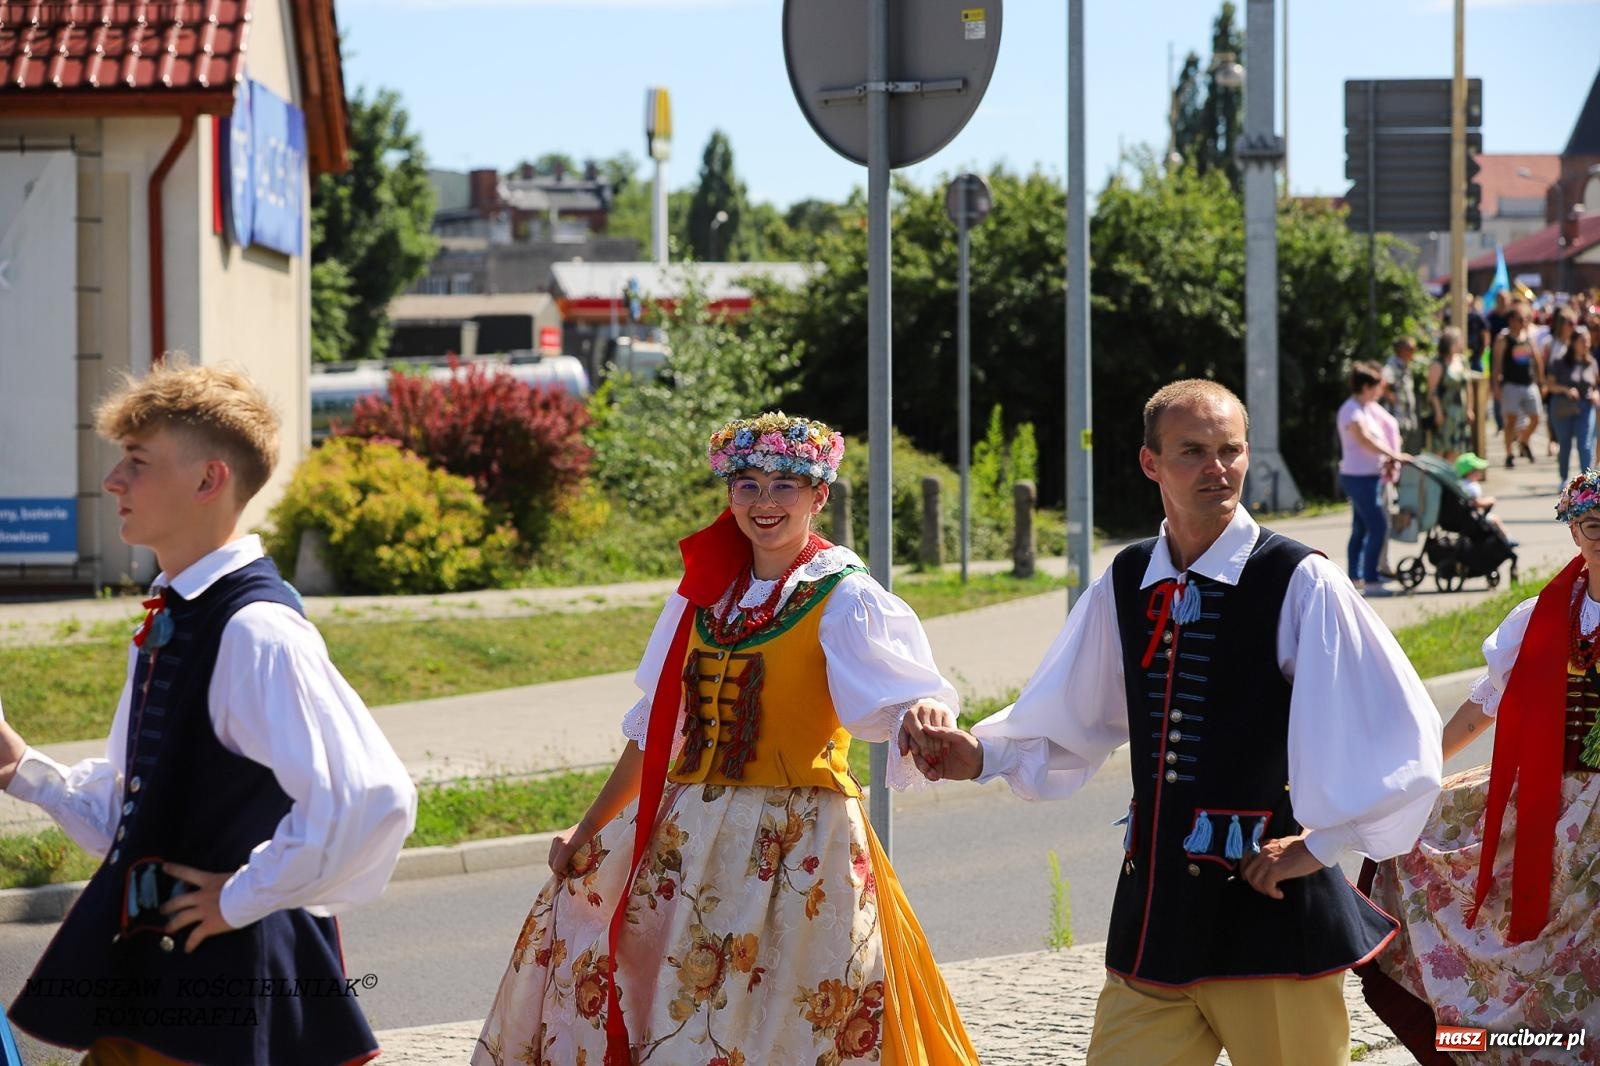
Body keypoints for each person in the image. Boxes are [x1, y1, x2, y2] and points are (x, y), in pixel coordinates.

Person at [900, 380, 1443, 1066]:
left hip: (1269, 922)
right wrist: (979, 754)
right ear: (1150, 463)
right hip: (1156, 924)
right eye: (1193, 451)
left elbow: (1393, 730)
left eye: (1231, 450)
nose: (1218, 468)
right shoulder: (1129, 579)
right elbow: (1071, 709)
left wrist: (1321, 843)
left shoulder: (1300, 580)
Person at [473, 413, 979, 1066]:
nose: (765, 503)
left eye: (785, 486)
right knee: (664, 1007)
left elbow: (904, 693)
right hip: (690, 840)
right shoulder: (704, 598)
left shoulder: (843, 595)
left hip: (801, 843)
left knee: (795, 1022)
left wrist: (924, 716)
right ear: (729, 495)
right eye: (748, 485)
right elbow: (656, 729)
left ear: (820, 496)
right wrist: (588, 826)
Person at [0, 362, 417, 1066]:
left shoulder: (257, 630)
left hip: (226, 991)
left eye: (136, 462)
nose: (113, 483)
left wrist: (242, 895)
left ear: (208, 480)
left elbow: (372, 797)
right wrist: (21, 767)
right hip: (160, 981)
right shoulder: (181, 613)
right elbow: (144, 817)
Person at [1360, 470, 1600, 1064]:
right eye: (1596, 526)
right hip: (1556, 799)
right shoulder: (1543, 616)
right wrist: (1413, 775)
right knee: (1424, 830)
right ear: (1574, 532)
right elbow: (1484, 707)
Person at [1338, 363, 1411, 595]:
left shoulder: (1365, 407)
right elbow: (1366, 440)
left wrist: (1388, 460)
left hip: (1369, 476)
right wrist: (1394, 455)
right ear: (1365, 386)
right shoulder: (1352, 411)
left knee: (1360, 528)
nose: (1378, 389)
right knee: (1378, 526)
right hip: (1359, 478)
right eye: (1375, 385)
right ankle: (1371, 580)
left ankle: (1355, 576)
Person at [1493, 301, 1547, 468]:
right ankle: (1509, 454)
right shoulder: (1504, 339)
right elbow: (1496, 364)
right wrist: (1495, 386)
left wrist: (1541, 381)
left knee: (1536, 417)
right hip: (1511, 384)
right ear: (1512, 320)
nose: (1523, 322)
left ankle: (1523, 440)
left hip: (1528, 383)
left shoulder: (1529, 338)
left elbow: (1537, 360)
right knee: (1510, 421)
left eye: (1526, 318)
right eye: (1520, 318)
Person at [1545, 322, 1597, 485]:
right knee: (1565, 445)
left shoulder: (1591, 362)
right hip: (1563, 408)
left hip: (1585, 407)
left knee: (1585, 444)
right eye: (1583, 340)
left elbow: (1596, 385)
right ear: (1574, 342)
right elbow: (1550, 385)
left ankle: (1587, 481)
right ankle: (1563, 477)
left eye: (1588, 340)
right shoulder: (1560, 362)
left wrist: (1596, 394)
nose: (1586, 344)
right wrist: (1566, 390)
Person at [1425, 326, 1473, 458]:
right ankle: (1437, 477)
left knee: (1457, 448)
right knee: (1441, 448)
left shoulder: (1463, 361)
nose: (1462, 343)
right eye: (1459, 341)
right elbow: (1432, 391)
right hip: (1445, 412)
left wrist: (1469, 408)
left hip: (1460, 412)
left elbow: (1468, 386)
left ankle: (1450, 476)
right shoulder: (1438, 364)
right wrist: (1438, 412)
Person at [1454, 452, 1516, 545]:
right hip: (1472, 517)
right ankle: (1508, 539)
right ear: (1471, 472)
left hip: (1461, 517)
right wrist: (1490, 500)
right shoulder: (1472, 486)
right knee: (1495, 519)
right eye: (1478, 470)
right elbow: (1477, 502)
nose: (1481, 472)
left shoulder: (1459, 484)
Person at [1382, 336, 1423, 454]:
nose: (1413, 353)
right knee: (1395, 450)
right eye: (1411, 349)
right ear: (1403, 350)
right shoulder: (1392, 365)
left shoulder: (1405, 366)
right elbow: (1383, 381)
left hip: (1405, 418)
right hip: (1395, 416)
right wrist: (1390, 396)